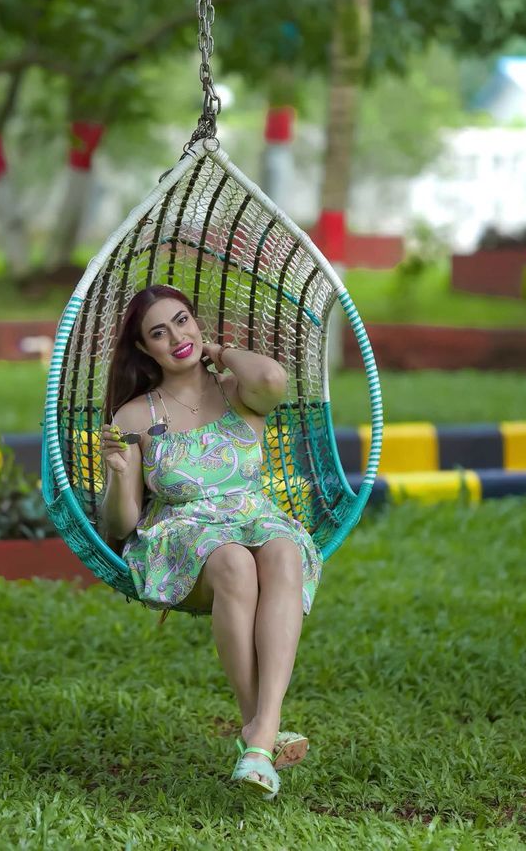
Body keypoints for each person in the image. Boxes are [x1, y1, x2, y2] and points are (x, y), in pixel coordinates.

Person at [100, 284, 323, 800]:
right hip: (183, 534)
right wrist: (118, 473)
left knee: (285, 551)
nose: (176, 336)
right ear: (144, 348)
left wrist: (217, 352)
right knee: (234, 564)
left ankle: (260, 735)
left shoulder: (237, 391)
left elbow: (273, 378)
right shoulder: (134, 417)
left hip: (254, 517)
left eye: (182, 321)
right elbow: (122, 522)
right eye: (159, 332)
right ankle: (261, 731)